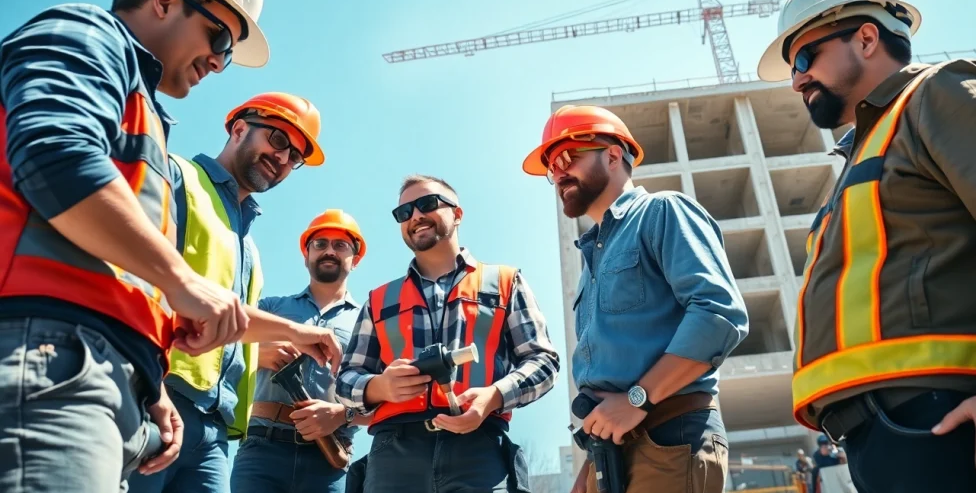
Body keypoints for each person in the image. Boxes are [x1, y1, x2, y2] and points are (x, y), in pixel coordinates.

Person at [0, 0, 272, 493]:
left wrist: (154, 383)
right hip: (47, 352)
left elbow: (120, 267)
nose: (220, 63)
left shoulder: (143, 114)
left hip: (98, 374)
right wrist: (180, 279)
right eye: (218, 36)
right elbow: (55, 157)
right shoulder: (84, 32)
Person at [757, 0, 976, 493]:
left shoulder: (940, 92)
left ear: (866, 37)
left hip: (950, 420)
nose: (796, 80)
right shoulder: (869, 151)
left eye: (805, 58)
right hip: (884, 435)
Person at [521, 105, 749, 493]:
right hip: (610, 447)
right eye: (550, 166)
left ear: (612, 154)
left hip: (668, 437)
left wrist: (637, 399)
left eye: (566, 157)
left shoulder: (663, 211)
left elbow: (719, 315)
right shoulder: (591, 261)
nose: (557, 173)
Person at [127, 92, 341, 493]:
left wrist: (294, 335)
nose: (282, 158)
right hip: (157, 397)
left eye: (294, 156)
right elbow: (133, 281)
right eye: (278, 140)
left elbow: (229, 320)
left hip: (215, 429)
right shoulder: (177, 177)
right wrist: (147, 382)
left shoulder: (251, 249)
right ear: (239, 128)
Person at [338, 175, 560, 493]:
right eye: (404, 213)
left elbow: (543, 361)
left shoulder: (505, 282)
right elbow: (346, 380)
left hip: (480, 447)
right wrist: (379, 386)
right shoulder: (378, 300)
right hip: (394, 457)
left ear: (457, 214)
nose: (415, 216)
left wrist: (493, 396)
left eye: (427, 204)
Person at [231, 210, 372, 493]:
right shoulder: (271, 309)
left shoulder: (369, 322)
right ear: (306, 255)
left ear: (355, 260)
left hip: (329, 460)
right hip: (262, 452)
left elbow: (383, 401)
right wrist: (256, 355)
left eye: (340, 245)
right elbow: (219, 349)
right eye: (320, 244)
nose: (329, 251)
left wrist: (342, 414)